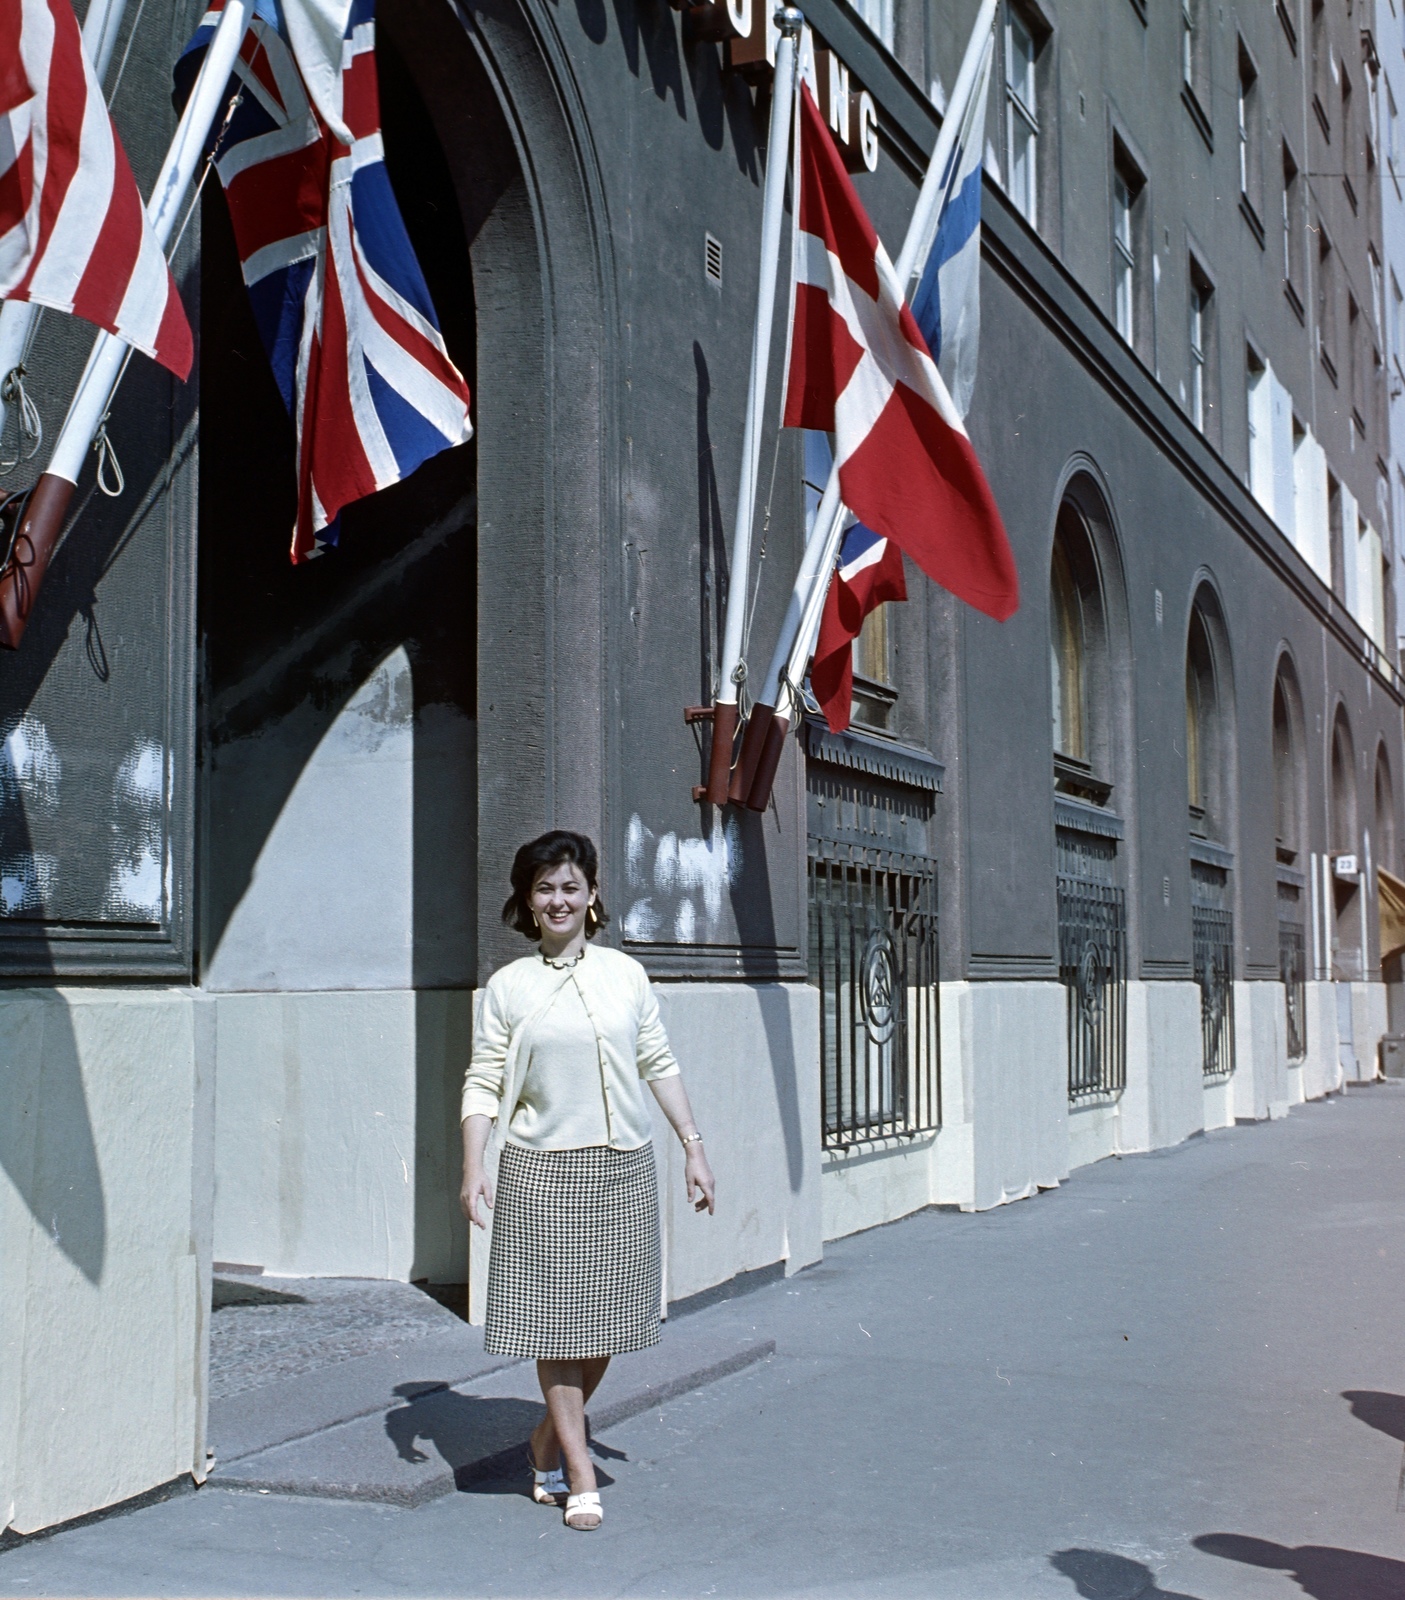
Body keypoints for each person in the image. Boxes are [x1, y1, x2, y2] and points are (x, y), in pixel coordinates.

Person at [460, 830, 715, 1531]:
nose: (558, 899)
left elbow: (657, 1060)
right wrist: (473, 1165)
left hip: (623, 1166)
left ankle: (545, 1436)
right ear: (527, 901)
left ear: (592, 895)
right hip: (542, 1170)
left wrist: (692, 1147)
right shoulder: (508, 987)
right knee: (556, 1327)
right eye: (544, 888)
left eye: (570, 886)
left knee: (607, 1324)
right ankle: (578, 1471)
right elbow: (483, 1079)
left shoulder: (624, 975)